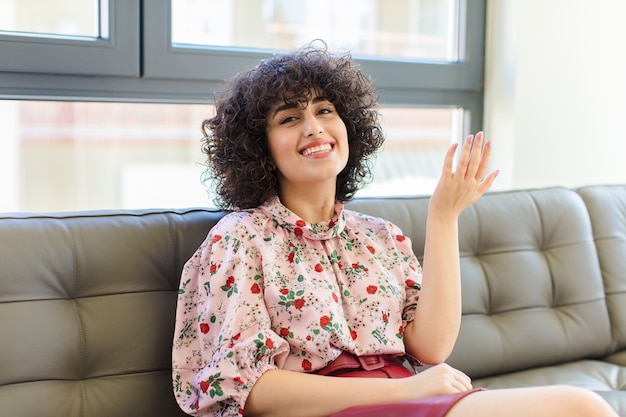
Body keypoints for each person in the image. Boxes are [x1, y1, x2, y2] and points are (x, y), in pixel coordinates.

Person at [172, 45, 618, 417]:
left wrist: (443, 216)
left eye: (325, 110)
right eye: (289, 118)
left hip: (411, 400)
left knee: (582, 408)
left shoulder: (380, 236)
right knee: (579, 407)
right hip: (338, 409)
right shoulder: (241, 237)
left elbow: (430, 348)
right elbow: (248, 392)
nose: (315, 127)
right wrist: (406, 392)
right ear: (259, 148)